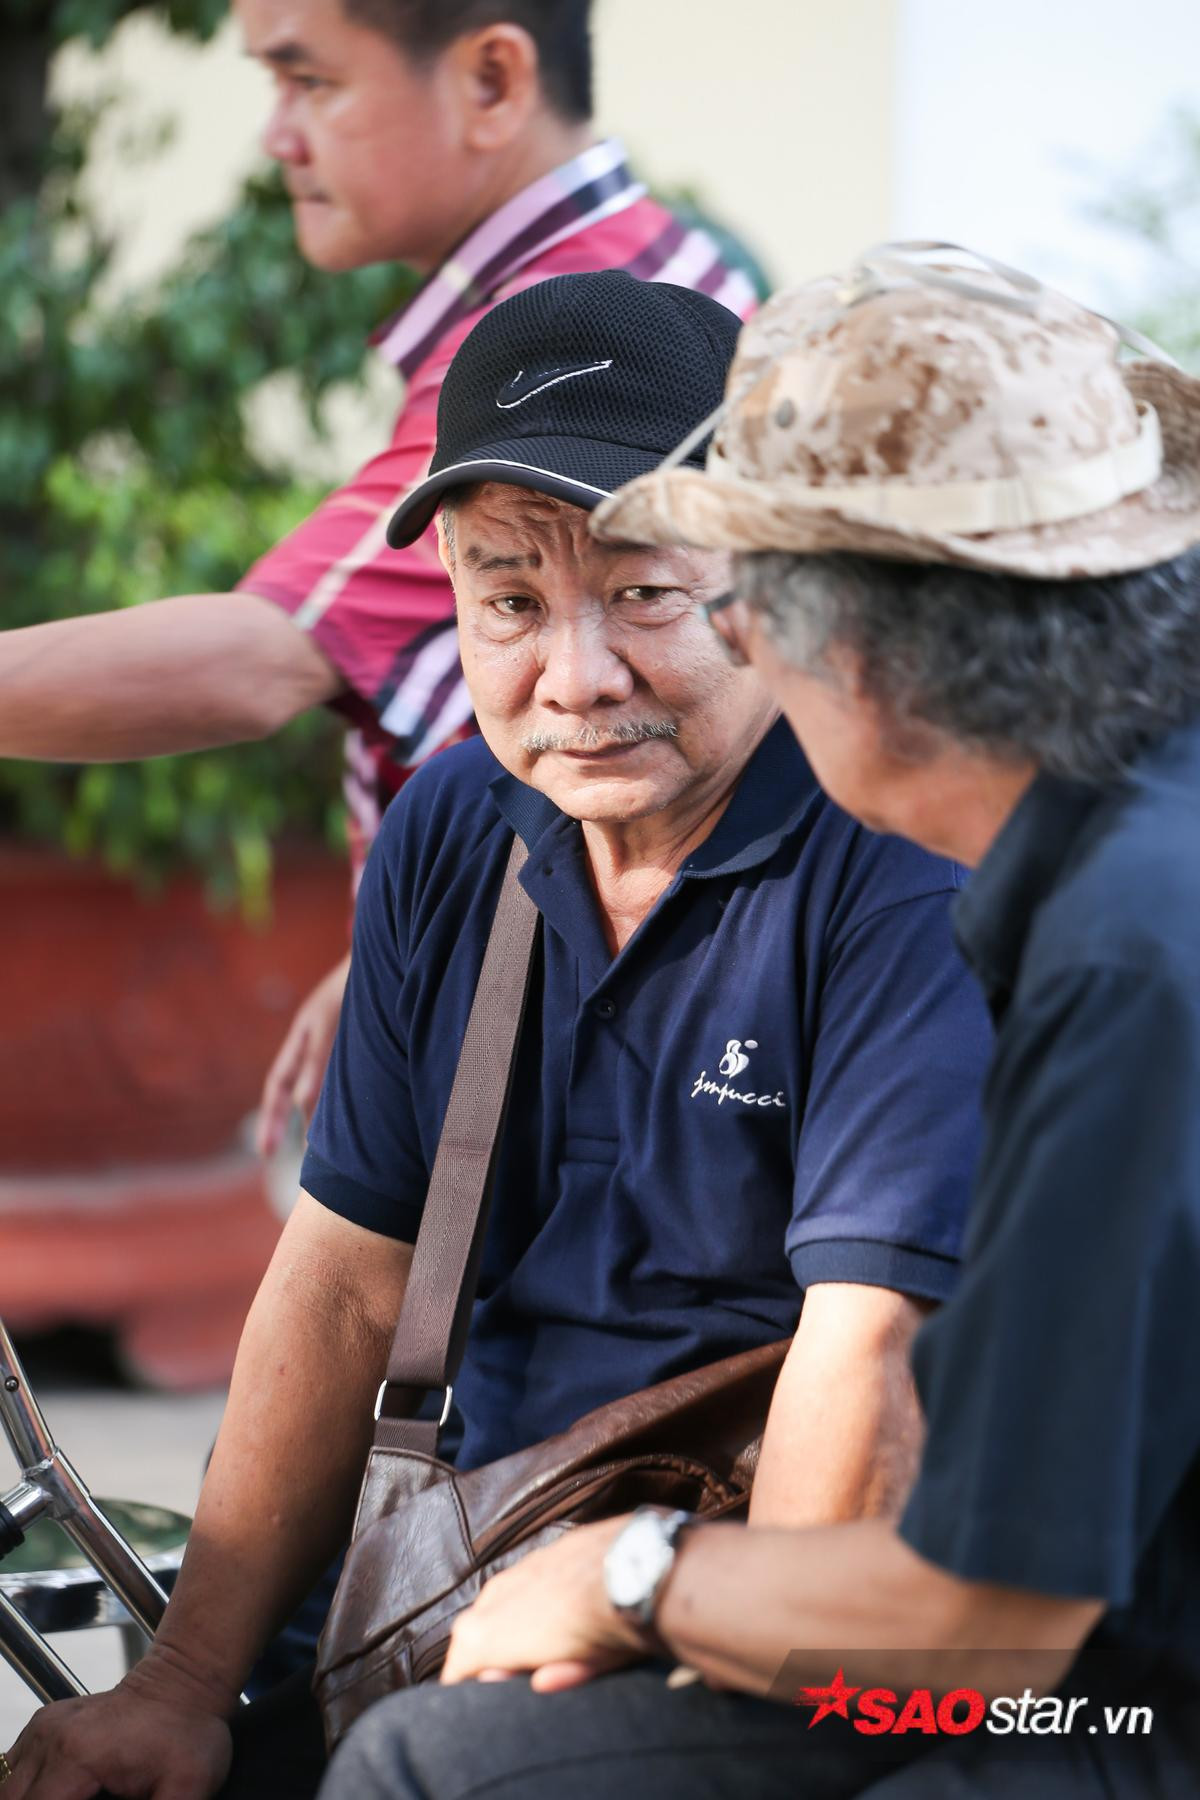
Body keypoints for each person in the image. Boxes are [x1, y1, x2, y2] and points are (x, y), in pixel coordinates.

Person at [0, 270, 992, 1799]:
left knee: (432, 1769)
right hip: (461, 1550)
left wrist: (657, 1652)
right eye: (510, 603)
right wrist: (189, 1683)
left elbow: (869, 1366)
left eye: (647, 594)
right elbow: (344, 1276)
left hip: (764, 1610)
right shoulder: (457, 828)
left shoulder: (892, 857)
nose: (575, 679)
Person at [313, 248, 1200, 1798]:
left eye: (706, 598)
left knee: (432, 1766)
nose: (593, 675)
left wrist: (630, 1580)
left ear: (840, 654)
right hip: (1047, 1643)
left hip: (1110, 1710)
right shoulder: (1122, 859)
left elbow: (982, 1632)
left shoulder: (1127, 953)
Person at [0, 0, 759, 1154]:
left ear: (494, 80)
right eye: (508, 600)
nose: (279, 136)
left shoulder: (567, 338)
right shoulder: (654, 271)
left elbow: (257, 661)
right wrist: (410, 930)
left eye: (313, 81)